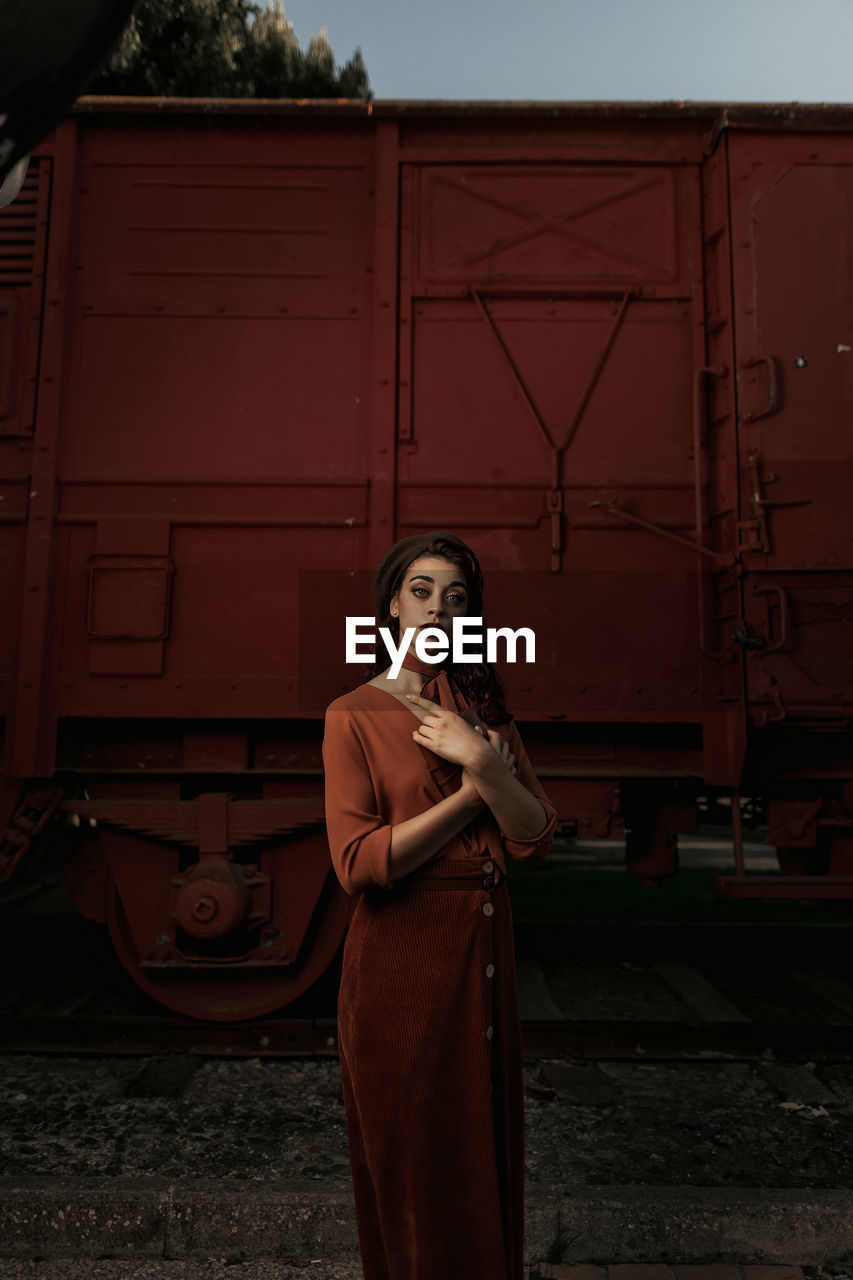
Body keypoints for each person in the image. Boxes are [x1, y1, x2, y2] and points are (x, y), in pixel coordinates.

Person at [322, 531, 557, 1280]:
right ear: (392, 605)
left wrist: (486, 756)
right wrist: (472, 788)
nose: (436, 609)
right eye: (420, 592)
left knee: (478, 1156)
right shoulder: (352, 714)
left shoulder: (485, 712)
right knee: (414, 1162)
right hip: (401, 959)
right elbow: (359, 864)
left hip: (484, 953)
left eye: (455, 598)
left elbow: (533, 838)